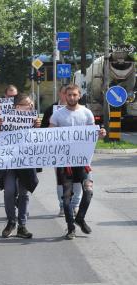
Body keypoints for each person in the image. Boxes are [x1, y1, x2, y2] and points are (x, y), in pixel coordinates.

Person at [49, 84, 106, 240]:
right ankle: (70, 227)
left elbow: (93, 134)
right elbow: (49, 134)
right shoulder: (57, 115)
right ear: (64, 96)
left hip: (83, 162)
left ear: (79, 95)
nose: (72, 97)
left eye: (75, 95)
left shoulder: (87, 113)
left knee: (88, 192)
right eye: (69, 95)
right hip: (64, 163)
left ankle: (80, 217)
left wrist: (101, 133)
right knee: (66, 198)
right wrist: (52, 132)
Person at [0, 94, 40, 239]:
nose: (30, 107)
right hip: (10, 162)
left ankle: (22, 226)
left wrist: (37, 127)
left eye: (31, 105)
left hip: (26, 162)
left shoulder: (33, 120)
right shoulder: (6, 119)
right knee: (9, 191)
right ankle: (11, 222)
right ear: (16, 107)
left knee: (24, 193)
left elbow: (42, 140)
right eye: (27, 104)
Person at [41, 85, 83, 217]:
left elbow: (90, 129)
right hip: (59, 152)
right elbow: (44, 129)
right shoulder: (52, 110)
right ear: (61, 94)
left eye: (72, 94)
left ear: (78, 95)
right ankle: (62, 206)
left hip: (78, 152)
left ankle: (75, 206)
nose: (69, 96)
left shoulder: (83, 110)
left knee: (78, 179)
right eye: (66, 93)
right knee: (61, 180)